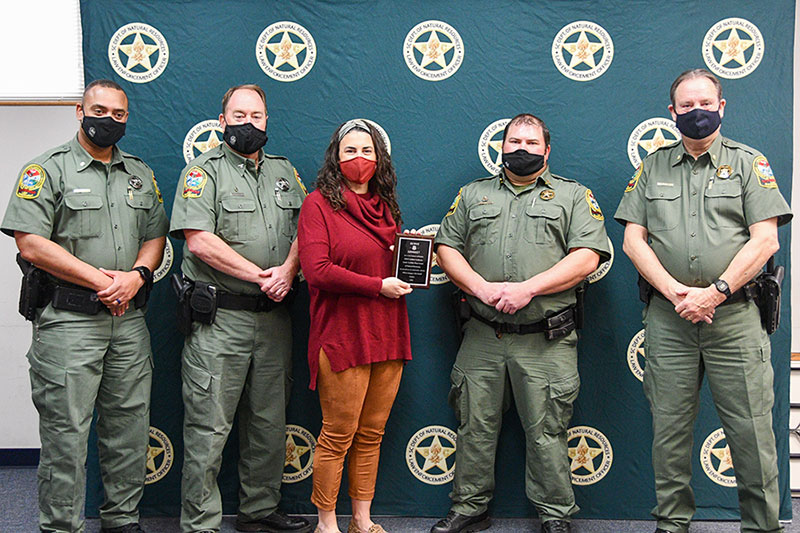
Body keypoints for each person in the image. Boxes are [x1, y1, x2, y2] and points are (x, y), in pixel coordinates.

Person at [614, 69, 791, 533]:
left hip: (734, 317)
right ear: (672, 112)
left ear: (721, 106)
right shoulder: (652, 167)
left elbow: (765, 241)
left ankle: (762, 527)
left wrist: (715, 292)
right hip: (670, 319)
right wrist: (677, 294)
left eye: (705, 104)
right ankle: (671, 525)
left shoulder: (750, 163)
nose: (697, 112)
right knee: (669, 435)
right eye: (686, 106)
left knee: (752, 433)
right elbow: (634, 241)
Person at [1, 79, 169, 533]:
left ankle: (121, 521)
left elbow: (155, 236)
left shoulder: (139, 173)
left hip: (128, 322)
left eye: (118, 114)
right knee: (66, 436)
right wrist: (101, 281)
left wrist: (136, 277)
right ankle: (60, 526)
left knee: (129, 431)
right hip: (69, 323)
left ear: (127, 118)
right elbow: (30, 242)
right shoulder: (47, 170)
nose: (108, 120)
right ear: (79, 111)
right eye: (99, 110)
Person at [430, 114, 610, 533]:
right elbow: (446, 246)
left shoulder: (573, 196)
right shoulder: (473, 195)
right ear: (502, 146)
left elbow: (588, 256)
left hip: (546, 338)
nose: (522, 149)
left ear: (547, 151)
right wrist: (478, 287)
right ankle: (469, 507)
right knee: (474, 424)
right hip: (482, 333)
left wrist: (528, 289)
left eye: (532, 143)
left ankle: (556, 515)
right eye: (514, 141)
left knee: (548, 431)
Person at [169, 84, 311, 533]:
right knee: (209, 427)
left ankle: (260, 509)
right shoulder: (203, 171)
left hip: (273, 320)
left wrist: (287, 271)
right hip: (220, 321)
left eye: (256, 115)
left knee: (268, 424)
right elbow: (199, 239)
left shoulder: (285, 172)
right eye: (239, 114)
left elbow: (306, 231)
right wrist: (260, 276)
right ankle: (201, 523)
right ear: (222, 120)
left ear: (267, 120)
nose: (248, 123)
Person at [297, 119, 413, 533]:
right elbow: (317, 271)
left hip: (389, 331)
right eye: (350, 151)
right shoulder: (317, 205)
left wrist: (411, 263)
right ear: (335, 158)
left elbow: (390, 267)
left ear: (379, 158)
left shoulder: (388, 207)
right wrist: (377, 285)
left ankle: (361, 521)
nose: (359, 159)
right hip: (342, 334)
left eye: (367, 151)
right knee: (337, 435)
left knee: (372, 434)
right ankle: (326, 523)